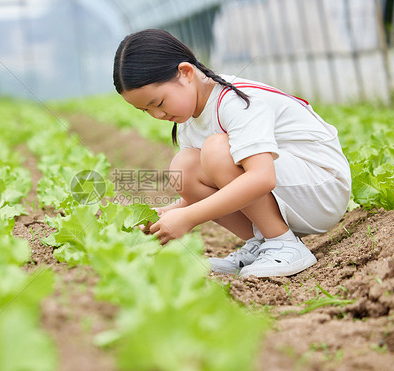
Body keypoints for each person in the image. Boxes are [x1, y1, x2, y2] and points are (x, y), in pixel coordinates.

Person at [113, 29, 351, 278]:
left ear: (185, 73)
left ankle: (284, 243)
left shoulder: (235, 101)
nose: (157, 115)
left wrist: (189, 218)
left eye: (159, 103)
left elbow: (262, 178)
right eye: (145, 110)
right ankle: (263, 244)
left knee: (216, 150)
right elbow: (212, 185)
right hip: (291, 192)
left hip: (321, 188)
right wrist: (169, 213)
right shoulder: (187, 123)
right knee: (185, 167)